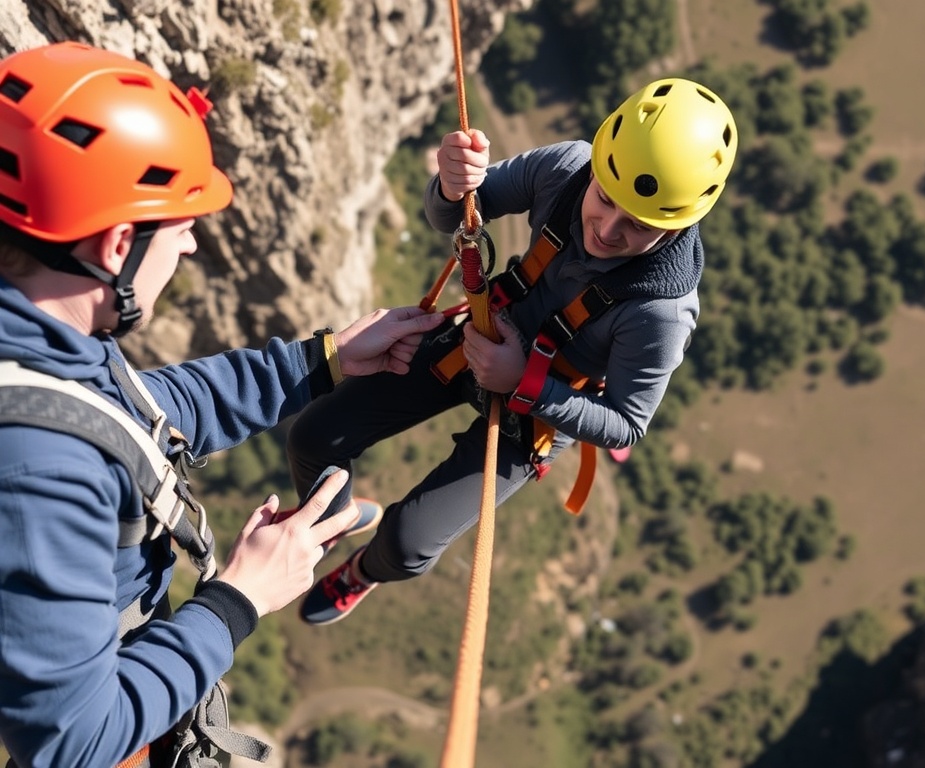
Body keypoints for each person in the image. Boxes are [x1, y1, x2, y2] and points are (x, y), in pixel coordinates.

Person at [0, 41, 443, 768]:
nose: (193, 245)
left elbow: (127, 413)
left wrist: (320, 361)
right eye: (179, 228)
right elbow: (70, 743)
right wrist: (240, 596)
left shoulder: (40, 334)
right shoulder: (36, 470)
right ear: (118, 245)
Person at [287, 77, 738, 626]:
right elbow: (453, 216)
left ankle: (361, 572)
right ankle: (337, 519)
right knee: (312, 437)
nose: (606, 229)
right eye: (604, 199)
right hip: (478, 335)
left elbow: (625, 424)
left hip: (537, 411)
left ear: (677, 226)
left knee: (408, 545)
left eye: (638, 227)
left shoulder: (660, 312)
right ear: (596, 169)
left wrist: (523, 381)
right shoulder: (568, 170)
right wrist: (453, 186)